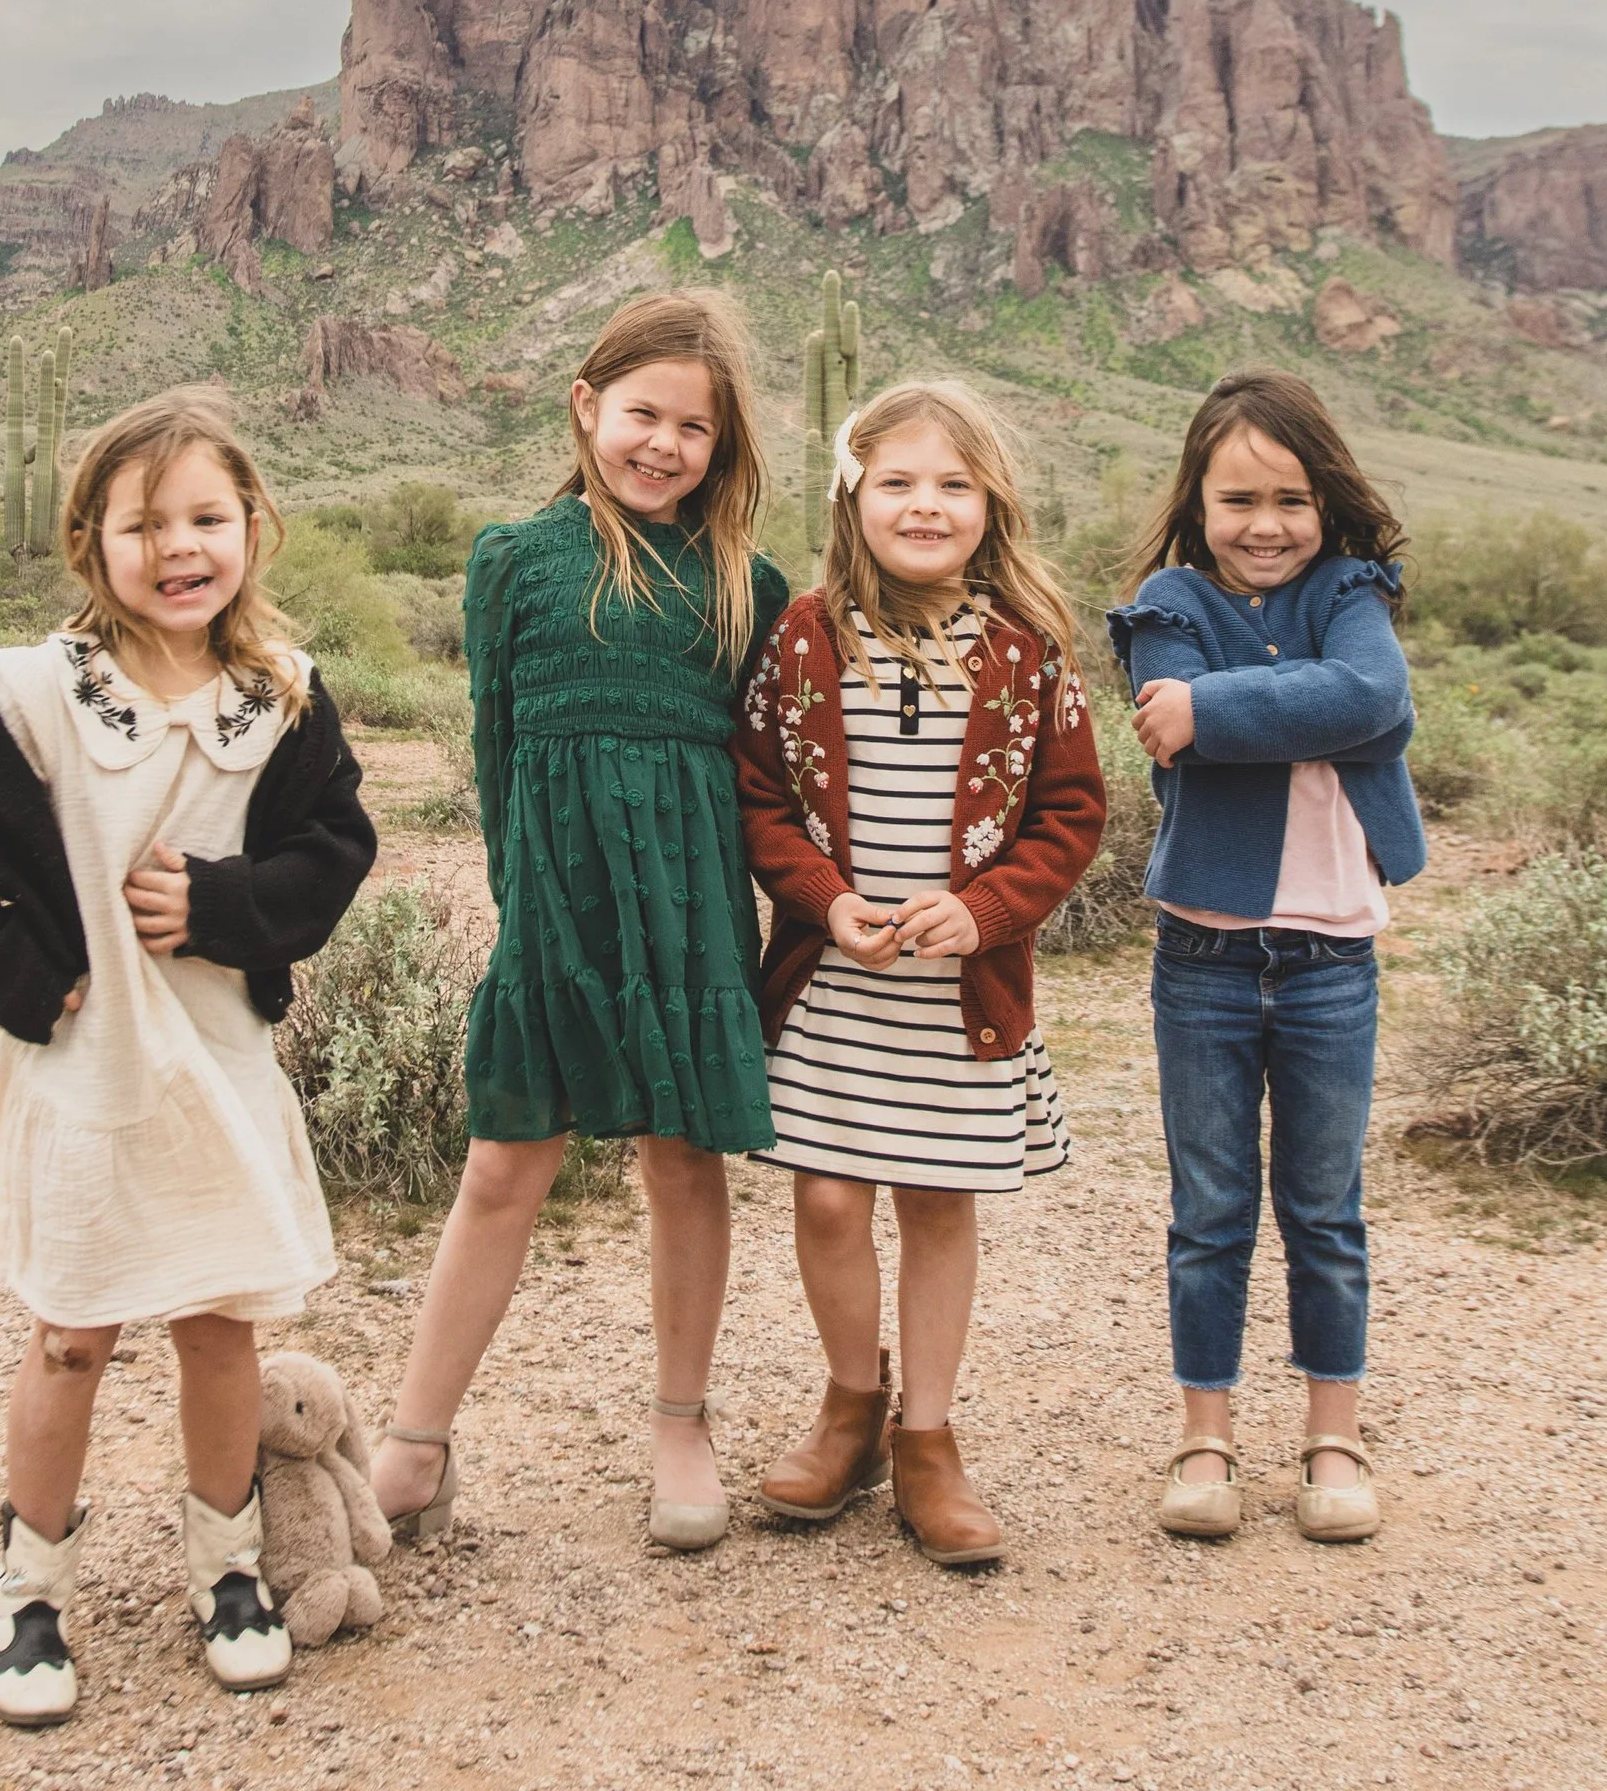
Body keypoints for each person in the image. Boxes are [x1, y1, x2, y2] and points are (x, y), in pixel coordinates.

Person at [0, 387, 374, 1720]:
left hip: (215, 1063)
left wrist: (222, 907)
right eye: (142, 522)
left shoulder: (279, 696)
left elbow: (333, 850)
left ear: (253, 527)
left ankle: (228, 1569)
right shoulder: (40, 696)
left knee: (220, 1326)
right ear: (89, 541)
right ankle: (27, 1585)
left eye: (207, 516)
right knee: (71, 1337)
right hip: (90, 1073)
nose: (180, 546)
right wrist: (32, 978)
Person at [369, 294, 787, 1557]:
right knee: (504, 1162)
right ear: (586, 407)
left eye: (694, 429)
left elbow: (766, 771)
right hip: (555, 906)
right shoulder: (514, 558)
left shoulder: (743, 583)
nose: (662, 445)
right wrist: (527, 912)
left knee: (681, 1157)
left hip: (694, 909)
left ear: (722, 447)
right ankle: (415, 1440)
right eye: (642, 414)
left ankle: (679, 1422)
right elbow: (498, 753)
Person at [734, 381, 1106, 1565]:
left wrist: (987, 910)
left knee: (939, 1201)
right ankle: (852, 1400)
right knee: (830, 1198)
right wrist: (823, 900)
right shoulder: (800, 637)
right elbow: (757, 798)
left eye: (952, 484)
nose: (925, 504)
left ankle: (926, 1437)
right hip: (836, 985)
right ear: (854, 497)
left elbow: (1070, 814)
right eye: (896, 480)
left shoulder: (1026, 652)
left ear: (990, 503)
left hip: (957, 997)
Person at [1107, 369, 1424, 1547]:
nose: (1265, 524)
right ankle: (1206, 1435)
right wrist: (1318, 705)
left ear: (1325, 502)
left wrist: (1228, 707)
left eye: (1289, 497)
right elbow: (1167, 718)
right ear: (1197, 502)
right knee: (1211, 1207)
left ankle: (1331, 1438)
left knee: (1325, 1207)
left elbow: (1374, 696)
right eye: (1237, 497)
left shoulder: (1354, 589)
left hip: (1334, 955)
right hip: (1204, 957)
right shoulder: (1165, 599)